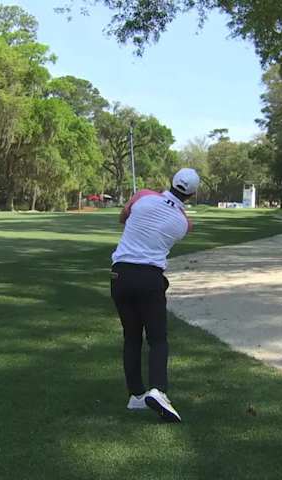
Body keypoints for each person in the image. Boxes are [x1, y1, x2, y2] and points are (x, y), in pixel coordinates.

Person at [110, 168, 200, 423]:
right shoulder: (181, 223)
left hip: (119, 275)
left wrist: (137, 200)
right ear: (192, 194)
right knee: (158, 339)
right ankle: (158, 390)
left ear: (171, 180)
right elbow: (188, 223)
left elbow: (122, 218)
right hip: (149, 278)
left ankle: (136, 396)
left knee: (132, 337)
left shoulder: (143, 198)